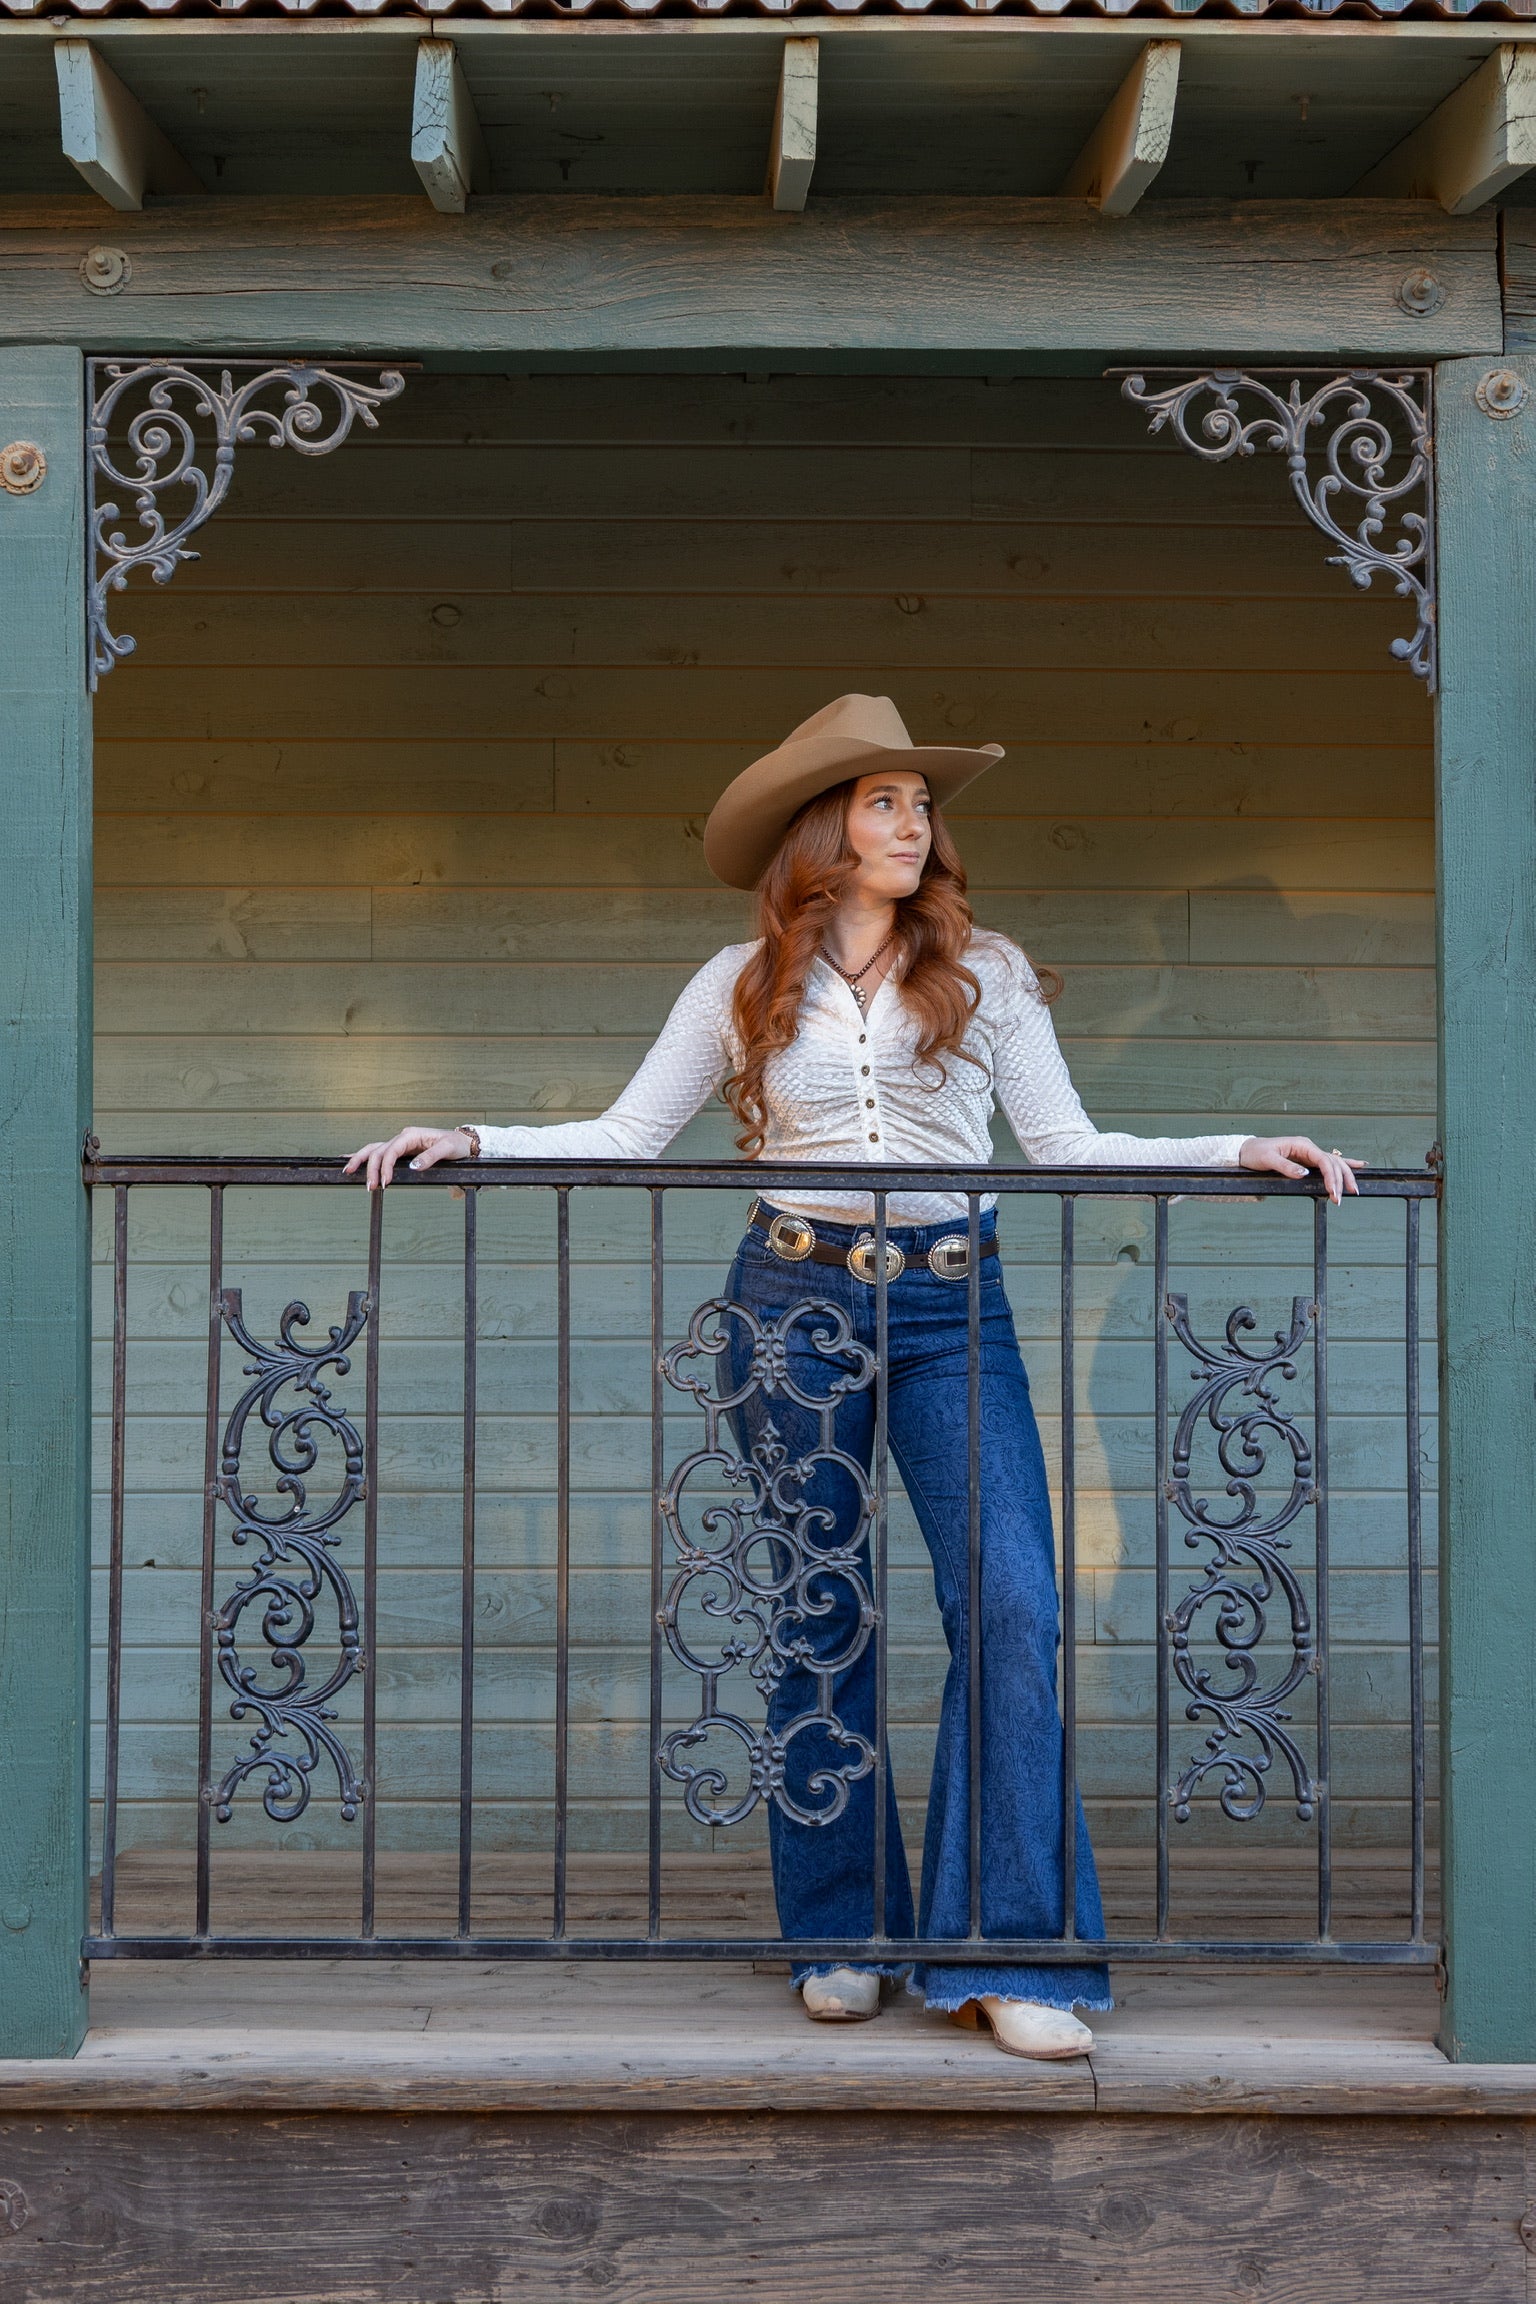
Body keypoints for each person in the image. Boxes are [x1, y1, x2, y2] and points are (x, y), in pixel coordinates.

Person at [347, 694, 1361, 2059]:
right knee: (819, 1611)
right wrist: (470, 1134)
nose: (912, 823)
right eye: (884, 801)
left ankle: (1013, 1956)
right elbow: (628, 1134)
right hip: (790, 1304)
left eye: (921, 804)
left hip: (954, 1304)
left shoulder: (986, 969)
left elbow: (1067, 1145)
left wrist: (1238, 1147)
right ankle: (843, 1931)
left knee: (1009, 1600)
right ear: (821, 829)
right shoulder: (742, 980)